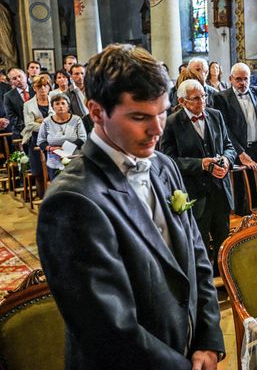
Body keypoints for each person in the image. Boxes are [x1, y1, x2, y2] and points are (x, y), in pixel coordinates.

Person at [37, 44, 225, 369]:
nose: (157, 129)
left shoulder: (163, 166)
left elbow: (196, 257)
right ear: (97, 112)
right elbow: (108, 331)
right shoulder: (72, 201)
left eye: (162, 112)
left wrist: (208, 339)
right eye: (139, 117)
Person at [160, 79, 236, 271]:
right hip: (195, 193)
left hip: (220, 189)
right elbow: (169, 160)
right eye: (196, 98)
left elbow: (228, 146)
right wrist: (200, 164)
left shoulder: (215, 115)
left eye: (204, 96)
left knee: (223, 241)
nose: (202, 101)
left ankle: (226, 283)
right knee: (199, 244)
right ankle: (205, 286)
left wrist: (226, 160)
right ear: (182, 101)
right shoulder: (171, 123)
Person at [213, 62, 257, 215]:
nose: (242, 83)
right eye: (238, 79)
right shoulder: (221, 97)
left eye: (246, 79)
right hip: (238, 150)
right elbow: (224, 129)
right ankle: (244, 227)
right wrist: (240, 153)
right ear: (231, 79)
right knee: (243, 194)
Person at [37, 93, 86, 180]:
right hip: (54, 161)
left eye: (63, 103)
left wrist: (64, 148)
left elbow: (82, 139)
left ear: (68, 106)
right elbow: (40, 142)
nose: (60, 106)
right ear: (52, 106)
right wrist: (50, 149)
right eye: (57, 104)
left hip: (74, 159)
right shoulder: (46, 122)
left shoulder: (76, 119)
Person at [22, 74, 53, 196]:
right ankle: (42, 198)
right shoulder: (28, 104)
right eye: (39, 86)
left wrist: (40, 121)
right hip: (35, 139)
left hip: (54, 139)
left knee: (53, 171)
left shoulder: (55, 100)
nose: (43, 89)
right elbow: (29, 125)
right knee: (38, 172)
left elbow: (60, 119)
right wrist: (48, 123)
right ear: (34, 88)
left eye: (45, 86)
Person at [4, 67, 34, 139]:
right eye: (14, 78)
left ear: (25, 76)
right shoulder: (8, 96)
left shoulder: (36, 90)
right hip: (21, 133)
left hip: (40, 130)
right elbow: (11, 116)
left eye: (20, 76)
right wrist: (27, 127)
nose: (18, 79)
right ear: (11, 81)